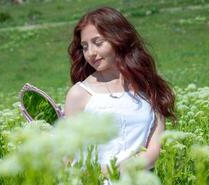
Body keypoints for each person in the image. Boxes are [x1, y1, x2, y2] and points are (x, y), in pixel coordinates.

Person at [64, 7, 175, 173]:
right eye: (85, 46)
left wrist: (124, 170)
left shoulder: (148, 86)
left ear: (119, 39)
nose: (91, 53)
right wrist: (107, 175)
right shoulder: (79, 94)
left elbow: (154, 151)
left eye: (98, 43)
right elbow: (68, 157)